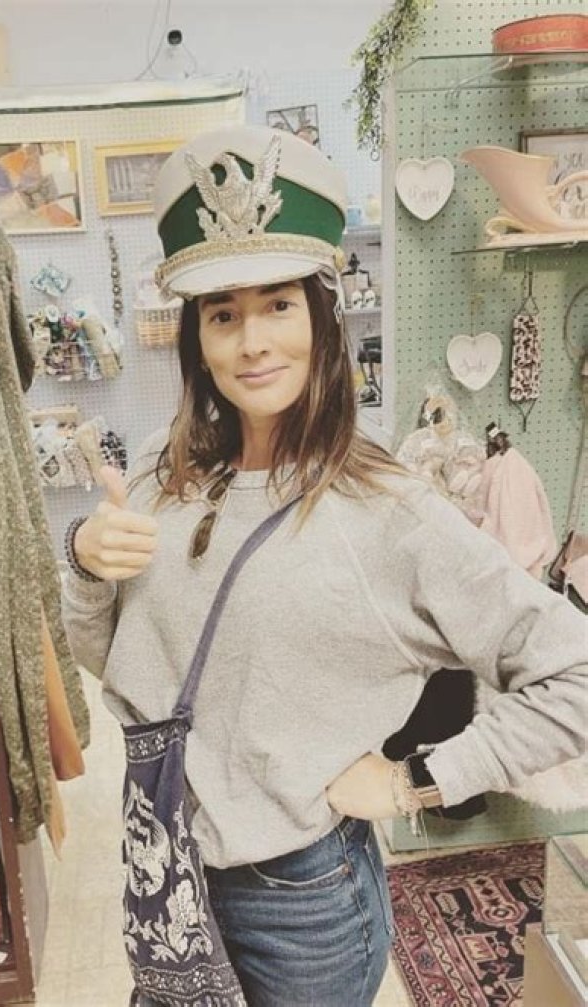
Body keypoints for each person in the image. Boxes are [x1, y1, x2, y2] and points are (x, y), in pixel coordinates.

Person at [61, 125, 587, 1007]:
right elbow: (114, 664)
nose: (251, 342)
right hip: (166, 863)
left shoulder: (388, 509)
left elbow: (576, 673)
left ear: (322, 315)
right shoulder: (162, 467)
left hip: (299, 905)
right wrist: (85, 561)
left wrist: (416, 779)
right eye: (222, 314)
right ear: (197, 336)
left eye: (278, 304)